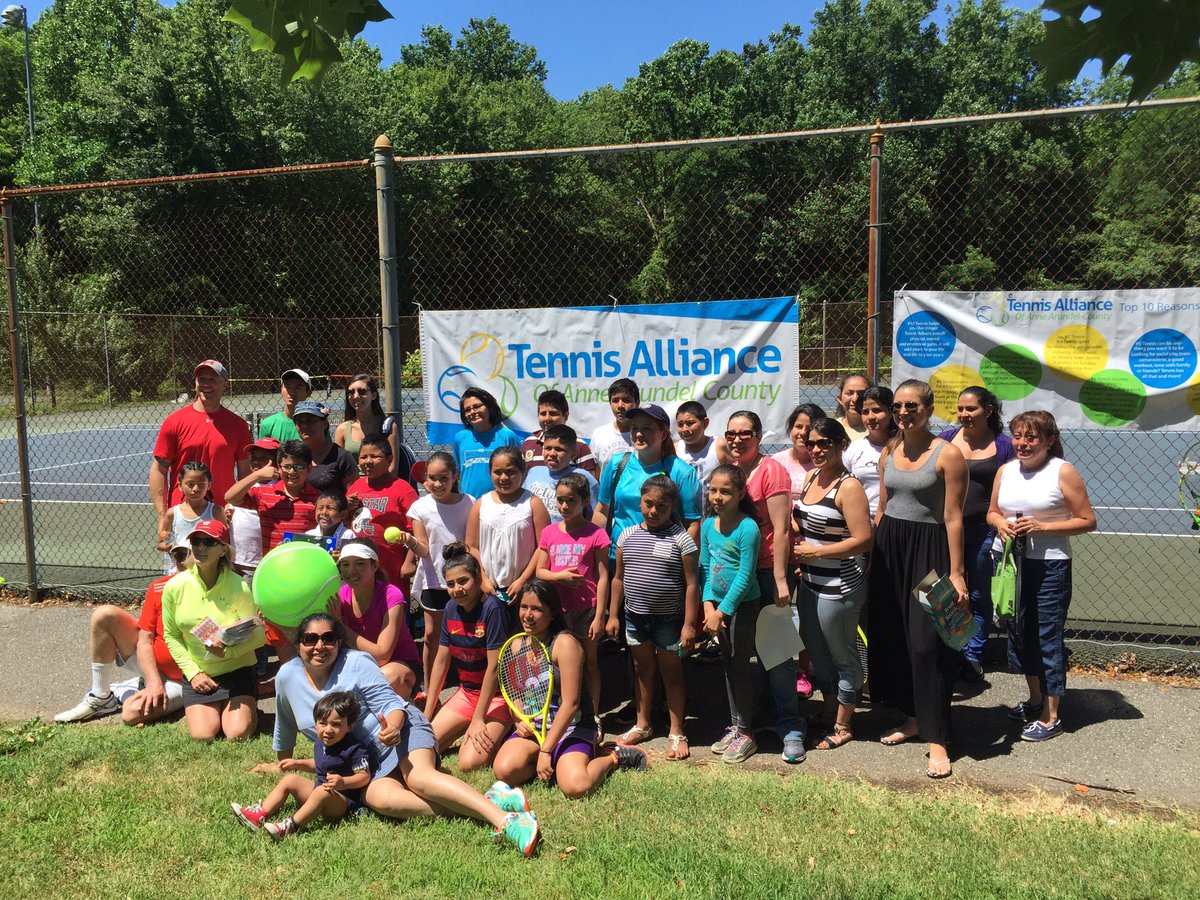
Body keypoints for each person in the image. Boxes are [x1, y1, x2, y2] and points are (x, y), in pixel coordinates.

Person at [256, 612, 540, 855]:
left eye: (328, 638)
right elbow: (285, 723)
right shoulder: (287, 676)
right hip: (367, 761)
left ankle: (505, 820)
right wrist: (281, 761)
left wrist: (393, 725)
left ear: (339, 642)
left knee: (419, 778)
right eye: (310, 639)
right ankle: (486, 801)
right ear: (299, 644)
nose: (320, 646)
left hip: (402, 729)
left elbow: (391, 703)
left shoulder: (356, 662)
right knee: (382, 801)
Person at [869, 379, 968, 779]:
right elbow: (883, 506)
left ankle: (938, 738)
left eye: (912, 406)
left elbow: (954, 517)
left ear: (928, 409)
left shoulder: (948, 455)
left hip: (930, 554)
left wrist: (957, 574)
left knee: (929, 645)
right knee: (893, 638)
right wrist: (873, 554)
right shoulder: (890, 450)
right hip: (890, 548)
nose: (904, 413)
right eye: (898, 407)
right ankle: (912, 718)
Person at [988, 410, 1096, 742]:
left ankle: (1051, 716)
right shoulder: (1005, 470)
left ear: (1049, 441)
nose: (1022, 443)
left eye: (1031, 437)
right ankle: (1035, 700)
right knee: (1019, 632)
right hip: (1009, 564)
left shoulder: (1062, 472)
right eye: (1017, 436)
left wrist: (1043, 526)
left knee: (1047, 637)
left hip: (1049, 566)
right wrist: (1000, 524)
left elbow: (1087, 520)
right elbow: (992, 512)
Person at [492, 580, 647, 798]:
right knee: (504, 771)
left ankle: (612, 756)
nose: (527, 615)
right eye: (524, 607)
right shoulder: (517, 644)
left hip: (573, 727)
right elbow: (514, 693)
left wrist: (546, 749)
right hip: (536, 728)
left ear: (552, 613)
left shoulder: (565, 645)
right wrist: (519, 719)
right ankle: (556, 762)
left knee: (576, 787)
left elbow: (571, 703)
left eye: (536, 609)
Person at [725, 409, 807, 764]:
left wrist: (778, 580)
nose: (737, 439)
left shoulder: (771, 470)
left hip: (766, 572)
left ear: (758, 436)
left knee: (776, 653)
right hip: (735, 576)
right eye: (731, 433)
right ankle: (743, 724)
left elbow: (782, 528)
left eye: (745, 433)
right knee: (739, 653)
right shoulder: (729, 471)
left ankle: (790, 725)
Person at [793, 419, 874, 751]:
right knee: (817, 653)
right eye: (811, 443)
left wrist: (817, 551)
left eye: (824, 443)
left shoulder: (849, 487)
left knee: (843, 655)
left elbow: (863, 540)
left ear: (842, 445)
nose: (816, 449)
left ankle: (843, 724)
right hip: (810, 582)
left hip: (838, 586)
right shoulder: (812, 476)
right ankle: (829, 709)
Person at [609, 475, 699, 759]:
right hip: (635, 618)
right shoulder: (627, 536)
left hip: (669, 621)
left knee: (671, 673)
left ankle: (676, 730)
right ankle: (643, 724)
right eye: (648, 504)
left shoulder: (681, 539)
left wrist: (688, 624)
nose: (653, 511)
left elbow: (692, 584)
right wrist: (613, 614)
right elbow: (618, 579)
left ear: (672, 506)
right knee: (642, 672)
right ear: (640, 501)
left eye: (662, 506)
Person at [55, 543, 191, 725]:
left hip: (184, 680)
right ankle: (101, 696)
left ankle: (129, 688)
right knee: (104, 614)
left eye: (188, 554)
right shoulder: (159, 587)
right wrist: (153, 681)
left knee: (132, 713)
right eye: (178, 555)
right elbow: (145, 640)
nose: (182, 561)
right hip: (151, 665)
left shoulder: (215, 591)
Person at [161, 519, 265, 741]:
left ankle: (249, 709)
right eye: (196, 541)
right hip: (201, 673)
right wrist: (193, 673)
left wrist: (229, 652)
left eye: (209, 542)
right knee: (203, 735)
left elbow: (259, 636)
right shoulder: (175, 586)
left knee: (237, 733)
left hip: (238, 670)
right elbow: (171, 635)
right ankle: (223, 708)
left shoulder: (239, 586)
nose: (200, 547)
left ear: (223, 550)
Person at [938, 386, 1016, 681]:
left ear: (988, 411)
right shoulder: (945, 441)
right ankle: (953, 651)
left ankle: (973, 655)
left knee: (979, 594)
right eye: (960, 409)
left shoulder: (1004, 445)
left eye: (970, 409)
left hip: (985, 532)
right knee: (947, 594)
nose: (964, 415)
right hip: (946, 531)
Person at [233, 690, 373, 839]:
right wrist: (297, 763)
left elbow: (364, 776)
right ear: (316, 723)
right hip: (319, 792)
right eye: (323, 723)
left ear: (350, 726)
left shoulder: (355, 749)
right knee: (290, 779)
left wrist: (343, 781)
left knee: (321, 792)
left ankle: (289, 827)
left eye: (336, 724)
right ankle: (259, 815)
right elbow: (319, 764)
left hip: (342, 803)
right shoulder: (321, 743)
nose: (328, 730)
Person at [423, 544, 515, 772]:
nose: (457, 589)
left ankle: (506, 727)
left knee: (468, 763)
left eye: (463, 581)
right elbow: (441, 662)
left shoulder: (492, 609)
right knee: (425, 746)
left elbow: (495, 668)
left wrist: (478, 718)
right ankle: (466, 726)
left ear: (477, 578)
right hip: (467, 693)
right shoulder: (450, 608)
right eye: (450, 584)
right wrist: (427, 711)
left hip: (497, 698)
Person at [699, 464, 762, 763]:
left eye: (726, 491)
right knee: (727, 665)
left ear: (740, 494)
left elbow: (745, 577)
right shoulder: (708, 525)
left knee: (739, 666)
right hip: (718, 611)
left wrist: (722, 611)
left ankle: (747, 733)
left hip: (742, 608)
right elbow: (706, 567)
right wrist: (708, 605)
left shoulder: (747, 528)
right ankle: (735, 726)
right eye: (713, 489)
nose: (718, 496)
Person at [534, 472, 612, 713]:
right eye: (560, 500)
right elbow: (540, 571)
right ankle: (557, 710)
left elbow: (603, 576)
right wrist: (560, 577)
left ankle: (593, 714)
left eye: (571, 501)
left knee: (589, 663)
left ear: (585, 502)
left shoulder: (596, 534)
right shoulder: (549, 532)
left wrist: (600, 616)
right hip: (556, 609)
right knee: (553, 662)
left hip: (586, 609)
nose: (564, 506)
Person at [149, 359, 250, 528]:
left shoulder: (238, 425)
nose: (206, 384)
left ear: (224, 384)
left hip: (222, 516)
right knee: (178, 554)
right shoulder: (174, 421)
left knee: (221, 555)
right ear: (195, 383)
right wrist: (162, 515)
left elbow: (245, 474)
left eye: (212, 379)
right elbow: (158, 469)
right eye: (201, 379)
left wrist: (237, 507)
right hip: (181, 516)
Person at [593, 403, 703, 553]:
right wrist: (598, 558)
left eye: (647, 428)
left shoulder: (682, 472)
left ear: (663, 434)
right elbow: (601, 511)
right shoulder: (617, 464)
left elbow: (692, 525)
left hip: (662, 565)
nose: (638, 434)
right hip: (616, 560)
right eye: (635, 428)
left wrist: (685, 567)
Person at [406, 451, 474, 686]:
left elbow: (474, 542)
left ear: (455, 476)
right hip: (434, 580)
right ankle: (429, 681)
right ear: (425, 480)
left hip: (465, 579)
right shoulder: (419, 507)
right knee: (431, 635)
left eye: (444, 478)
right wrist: (410, 542)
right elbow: (424, 549)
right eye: (432, 478)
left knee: (468, 630)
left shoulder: (470, 502)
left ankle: (471, 679)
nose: (437, 484)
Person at [334, 539, 421, 699]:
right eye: (345, 564)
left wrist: (339, 625)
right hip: (358, 665)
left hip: (397, 664)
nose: (351, 571)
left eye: (359, 564)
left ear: (375, 565)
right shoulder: (339, 595)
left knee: (385, 679)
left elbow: (382, 656)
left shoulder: (391, 594)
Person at [466, 446, 549, 607]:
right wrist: (483, 579)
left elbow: (543, 547)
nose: (504, 477)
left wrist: (523, 580)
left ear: (522, 471)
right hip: (489, 590)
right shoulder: (481, 504)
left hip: (524, 590)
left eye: (510, 472)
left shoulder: (533, 503)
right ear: (490, 473)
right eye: (497, 472)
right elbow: (471, 546)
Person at [225, 439, 320, 555]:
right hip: (272, 564)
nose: (292, 472)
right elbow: (230, 497)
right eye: (286, 467)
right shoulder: (263, 494)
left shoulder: (318, 498)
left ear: (309, 468)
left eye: (299, 467)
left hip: (305, 563)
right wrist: (258, 475)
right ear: (279, 467)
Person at [348, 434, 419, 587]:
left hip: (391, 568)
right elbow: (345, 523)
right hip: (359, 567)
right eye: (363, 457)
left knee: (392, 605)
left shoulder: (403, 490)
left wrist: (410, 561)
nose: (368, 462)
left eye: (374, 456)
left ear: (389, 459)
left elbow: (416, 530)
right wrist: (345, 506)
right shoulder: (356, 486)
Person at [523, 424, 599, 525]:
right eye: (548, 448)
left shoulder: (583, 477)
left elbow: (597, 513)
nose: (552, 454)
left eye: (559, 449)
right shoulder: (534, 472)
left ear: (573, 455)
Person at [453, 387, 521, 501]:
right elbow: (457, 472)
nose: (472, 412)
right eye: (467, 410)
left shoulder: (507, 436)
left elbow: (520, 471)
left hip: (502, 503)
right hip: (469, 504)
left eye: (477, 406)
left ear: (489, 408)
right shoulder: (460, 438)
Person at [157, 461, 223, 575]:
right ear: (180, 485)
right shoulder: (172, 514)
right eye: (190, 484)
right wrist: (175, 547)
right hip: (180, 571)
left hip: (207, 572)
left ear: (209, 485)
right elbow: (161, 543)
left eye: (202, 484)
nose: (196, 489)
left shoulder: (216, 511)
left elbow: (225, 543)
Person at [228, 437, 279, 580]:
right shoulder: (246, 485)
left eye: (264, 458)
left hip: (262, 561)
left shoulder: (279, 487)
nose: (256, 462)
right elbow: (230, 499)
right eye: (254, 457)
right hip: (237, 559)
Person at [843, 386, 896, 520]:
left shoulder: (903, 448)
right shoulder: (853, 449)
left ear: (891, 412)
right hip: (861, 520)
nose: (870, 417)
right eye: (865, 412)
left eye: (877, 410)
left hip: (894, 520)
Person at [334, 373, 400, 476]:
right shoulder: (342, 429)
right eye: (351, 392)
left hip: (381, 487)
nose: (356, 396)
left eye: (362, 391)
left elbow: (393, 468)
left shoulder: (388, 427)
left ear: (373, 395)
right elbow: (338, 467)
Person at [520, 389, 598, 475]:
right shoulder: (528, 443)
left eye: (553, 414)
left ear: (566, 416)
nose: (547, 419)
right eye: (543, 414)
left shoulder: (579, 446)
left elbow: (590, 482)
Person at [292, 399, 357, 493]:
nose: (305, 426)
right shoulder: (293, 456)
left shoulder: (341, 457)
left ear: (325, 424)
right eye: (300, 422)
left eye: (311, 421)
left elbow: (352, 496)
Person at [772, 403, 827, 505]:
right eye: (798, 426)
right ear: (791, 428)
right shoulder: (776, 461)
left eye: (809, 428)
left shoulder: (826, 465)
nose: (802, 432)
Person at [674, 400, 727, 487]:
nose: (685, 429)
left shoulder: (719, 446)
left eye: (690, 423)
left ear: (705, 423)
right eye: (680, 424)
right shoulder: (675, 449)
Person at [589, 377, 638, 469]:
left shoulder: (645, 434)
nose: (620, 405)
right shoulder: (599, 434)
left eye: (626, 400)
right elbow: (596, 472)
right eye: (615, 400)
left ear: (637, 403)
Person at [257, 369, 313, 443]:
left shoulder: (317, 425)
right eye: (287, 386)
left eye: (298, 387)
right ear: (281, 389)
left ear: (308, 393)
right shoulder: (268, 424)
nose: (291, 392)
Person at [835, 373, 872, 441]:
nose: (855, 399)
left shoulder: (880, 430)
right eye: (849, 393)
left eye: (861, 393)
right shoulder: (832, 428)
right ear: (840, 399)